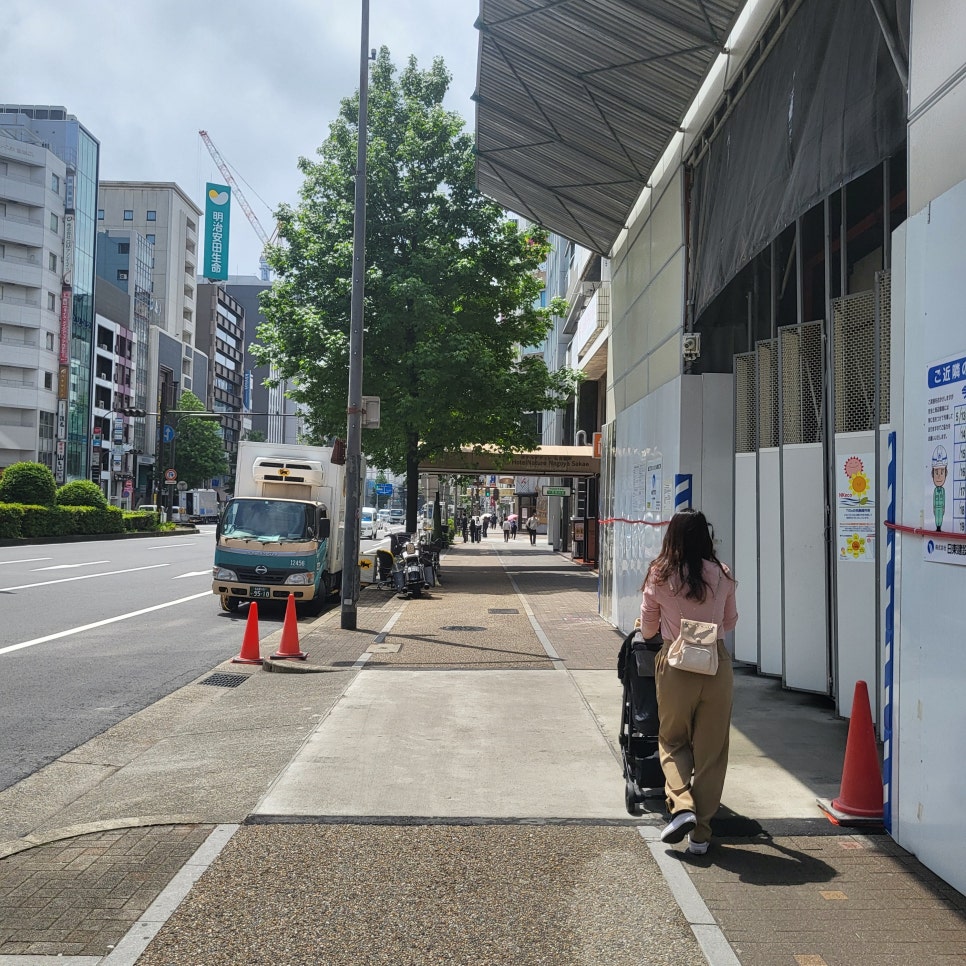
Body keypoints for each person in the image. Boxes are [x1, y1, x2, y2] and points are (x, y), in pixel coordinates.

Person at [639, 508, 738, 856]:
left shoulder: (660, 574)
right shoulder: (723, 574)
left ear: (673, 536)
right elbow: (729, 621)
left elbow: (648, 628)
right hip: (716, 662)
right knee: (712, 752)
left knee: (672, 740)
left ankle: (682, 807)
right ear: (705, 537)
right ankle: (702, 836)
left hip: (677, 663)